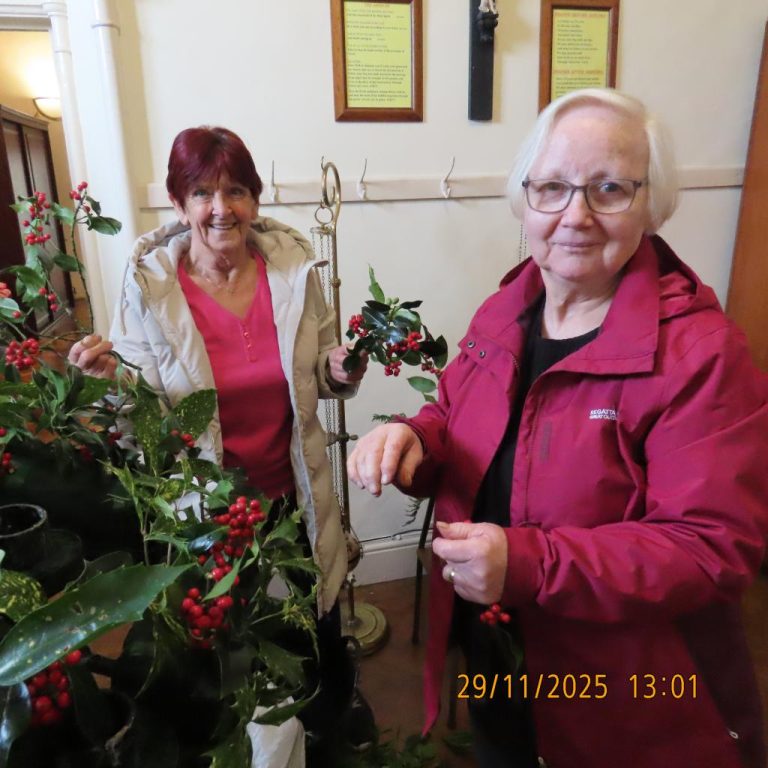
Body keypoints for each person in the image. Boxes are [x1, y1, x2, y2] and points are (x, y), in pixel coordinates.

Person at [348, 89, 768, 768]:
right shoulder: (507, 308)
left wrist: (529, 564)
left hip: (620, 694)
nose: (575, 215)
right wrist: (414, 439)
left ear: (650, 203)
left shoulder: (703, 356)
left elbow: (710, 548)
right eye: (552, 186)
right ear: (526, 197)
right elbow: (455, 414)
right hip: (495, 652)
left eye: (609, 188)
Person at [69, 126, 368, 760]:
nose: (219, 208)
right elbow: (140, 417)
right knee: (236, 653)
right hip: (215, 514)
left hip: (297, 496)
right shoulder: (151, 289)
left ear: (254, 200)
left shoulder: (293, 269)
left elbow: (319, 373)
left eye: (235, 190)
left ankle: (325, 736)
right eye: (201, 191)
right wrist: (110, 381)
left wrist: (341, 371)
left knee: (315, 635)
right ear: (179, 203)